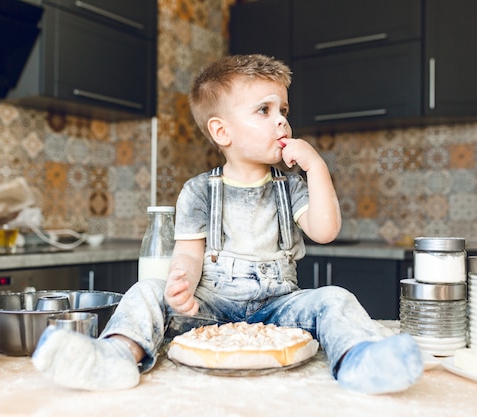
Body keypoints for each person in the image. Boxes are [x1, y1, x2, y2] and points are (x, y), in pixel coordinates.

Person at [32, 54, 423, 394]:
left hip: (279, 307)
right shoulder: (198, 191)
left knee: (335, 298)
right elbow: (187, 253)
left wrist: (317, 167)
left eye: (283, 110)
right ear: (222, 131)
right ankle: (115, 356)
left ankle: (361, 361)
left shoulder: (293, 188)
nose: (281, 122)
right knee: (145, 291)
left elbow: (325, 230)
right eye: (264, 111)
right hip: (212, 308)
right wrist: (180, 282)